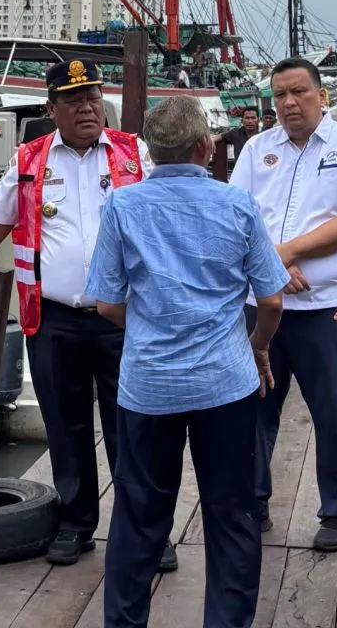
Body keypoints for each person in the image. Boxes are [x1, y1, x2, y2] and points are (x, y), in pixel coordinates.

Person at [0, 59, 174, 570]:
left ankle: (145, 533)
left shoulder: (135, 154)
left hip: (123, 320)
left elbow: (173, 215)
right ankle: (77, 524)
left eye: (93, 97)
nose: (87, 108)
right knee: (66, 429)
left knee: (134, 430)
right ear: (51, 108)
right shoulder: (28, 160)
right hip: (54, 320)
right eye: (73, 100)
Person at [88, 96, 288, 628]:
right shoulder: (237, 204)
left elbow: (107, 303)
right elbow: (271, 301)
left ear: (150, 152)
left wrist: (150, 329)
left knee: (138, 515)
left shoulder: (122, 206)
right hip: (225, 382)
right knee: (233, 515)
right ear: (205, 147)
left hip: (149, 385)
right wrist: (258, 345)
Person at [230, 57, 337, 552]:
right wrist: (272, 267)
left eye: (299, 92)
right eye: (280, 95)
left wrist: (287, 253)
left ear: (321, 95)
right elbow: (237, 215)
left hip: (328, 307)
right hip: (262, 305)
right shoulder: (257, 149)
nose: (289, 103)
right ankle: (251, 502)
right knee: (252, 409)